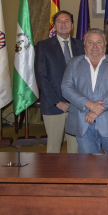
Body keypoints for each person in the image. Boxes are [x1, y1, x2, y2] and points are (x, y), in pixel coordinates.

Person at [61, 29, 108, 154]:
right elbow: (66, 88)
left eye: (99, 42)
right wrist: (89, 105)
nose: (95, 46)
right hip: (83, 122)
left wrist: (97, 110)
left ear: (105, 44)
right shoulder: (73, 63)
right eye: (90, 42)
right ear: (84, 44)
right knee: (89, 168)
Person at [35, 11, 83, 153]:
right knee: (54, 148)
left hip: (76, 105)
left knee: (75, 147)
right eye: (59, 21)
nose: (63, 24)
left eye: (67, 21)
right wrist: (57, 102)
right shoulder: (43, 46)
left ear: (72, 25)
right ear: (54, 26)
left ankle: (74, 175)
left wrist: (80, 100)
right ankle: (52, 175)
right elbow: (41, 76)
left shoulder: (81, 45)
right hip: (53, 105)